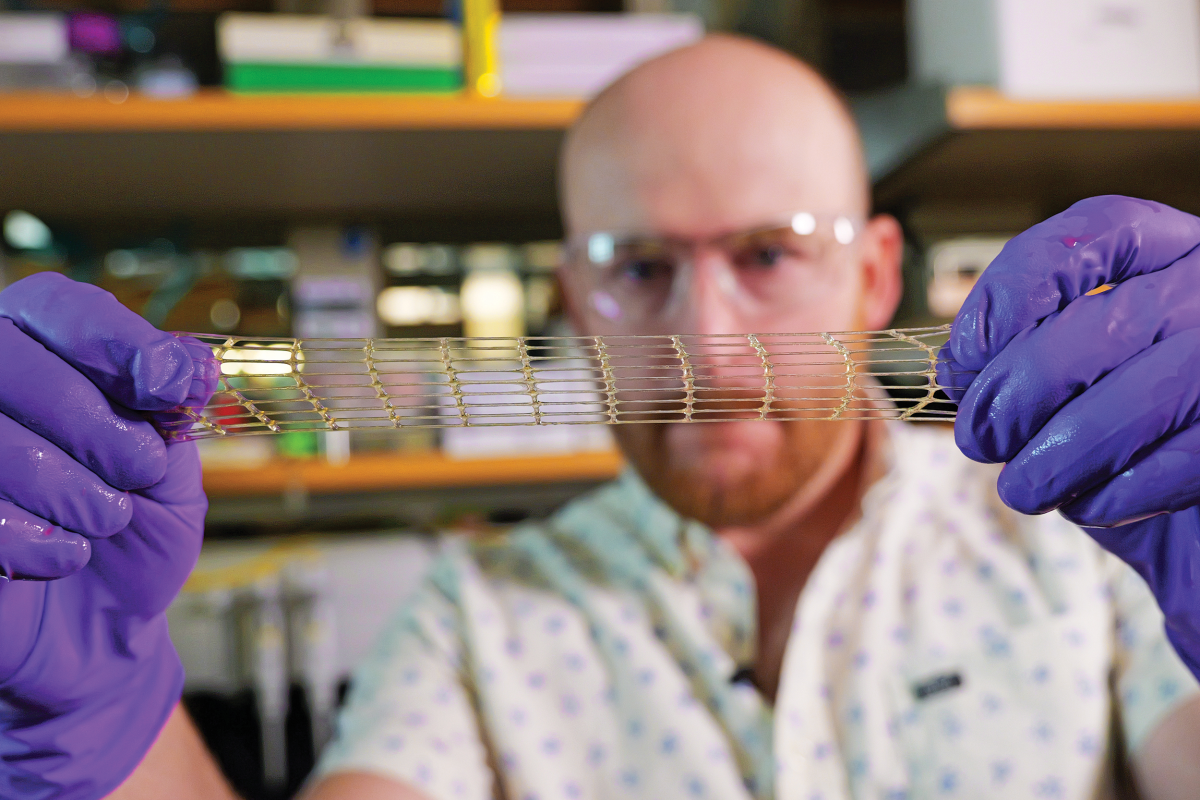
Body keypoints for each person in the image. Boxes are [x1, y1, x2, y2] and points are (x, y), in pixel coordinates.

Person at [4, 33, 1200, 800]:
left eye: (770, 253)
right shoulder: (477, 621)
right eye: (637, 266)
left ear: (877, 276)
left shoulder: (1095, 545)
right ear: (572, 298)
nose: (712, 342)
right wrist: (97, 727)